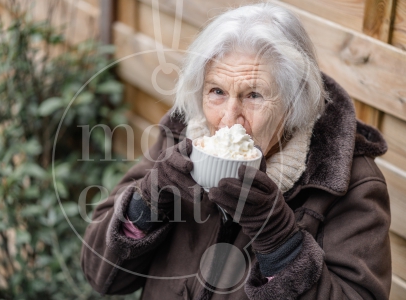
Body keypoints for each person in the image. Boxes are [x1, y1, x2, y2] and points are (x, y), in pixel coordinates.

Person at [81, 3, 391, 299]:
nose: (229, 120)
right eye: (217, 91)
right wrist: (147, 201)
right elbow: (101, 275)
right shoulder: (181, 140)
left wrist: (280, 241)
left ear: (293, 102)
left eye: (254, 95)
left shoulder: (349, 183)